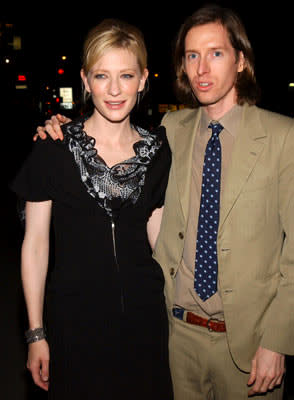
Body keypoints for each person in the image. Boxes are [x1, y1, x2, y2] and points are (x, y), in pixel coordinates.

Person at [39, 4, 294, 400]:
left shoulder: (284, 137)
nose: (202, 69)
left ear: (241, 60)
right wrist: (62, 128)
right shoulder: (169, 133)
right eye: (192, 55)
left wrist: (277, 340)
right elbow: (112, 139)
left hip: (249, 345)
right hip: (175, 340)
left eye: (216, 53)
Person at [11, 19, 173, 399]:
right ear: (85, 81)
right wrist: (36, 333)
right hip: (74, 327)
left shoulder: (159, 151)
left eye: (126, 75)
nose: (114, 90)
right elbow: (35, 245)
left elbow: (161, 243)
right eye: (102, 76)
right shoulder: (53, 147)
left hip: (145, 325)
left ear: (143, 79)